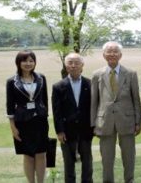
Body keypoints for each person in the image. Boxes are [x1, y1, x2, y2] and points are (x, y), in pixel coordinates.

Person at [91, 41, 141, 183]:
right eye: (109, 51)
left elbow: (136, 98)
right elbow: (94, 101)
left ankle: (129, 180)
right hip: (104, 122)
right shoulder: (97, 75)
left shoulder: (131, 74)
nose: (112, 54)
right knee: (107, 158)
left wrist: (138, 121)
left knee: (129, 156)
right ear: (103, 55)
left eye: (115, 51)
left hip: (127, 121)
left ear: (120, 55)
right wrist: (93, 123)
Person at [6, 49, 49, 183]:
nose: (28, 63)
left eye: (31, 60)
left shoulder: (41, 78)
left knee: (41, 153)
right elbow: (10, 106)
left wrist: (45, 115)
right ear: (18, 63)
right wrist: (13, 127)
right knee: (28, 155)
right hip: (23, 123)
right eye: (24, 60)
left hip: (40, 121)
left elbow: (45, 100)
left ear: (35, 62)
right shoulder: (12, 81)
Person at [51, 53, 94, 183]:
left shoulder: (90, 84)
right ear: (66, 65)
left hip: (86, 129)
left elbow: (94, 107)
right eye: (70, 62)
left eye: (76, 62)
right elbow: (56, 111)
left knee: (87, 162)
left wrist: (95, 126)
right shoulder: (58, 86)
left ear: (82, 65)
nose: (73, 65)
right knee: (68, 163)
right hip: (67, 131)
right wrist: (59, 131)